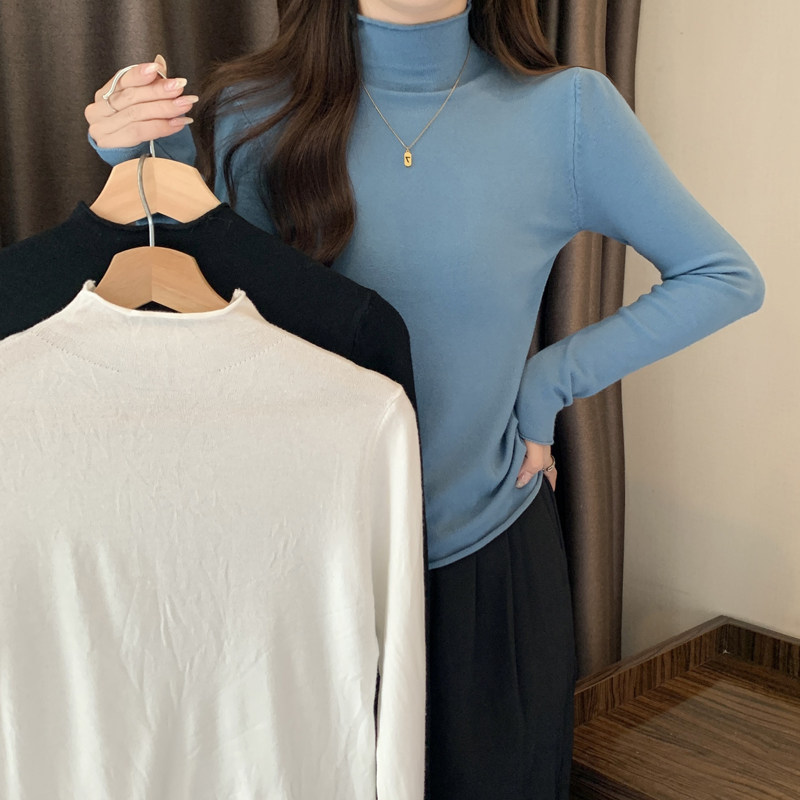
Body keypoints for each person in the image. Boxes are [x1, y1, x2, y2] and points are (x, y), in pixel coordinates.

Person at [84, 1, 765, 797]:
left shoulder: (568, 113)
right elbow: (209, 331)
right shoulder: (251, 111)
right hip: (304, 580)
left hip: (489, 575)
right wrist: (142, 155)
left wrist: (547, 382)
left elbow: (723, 276)